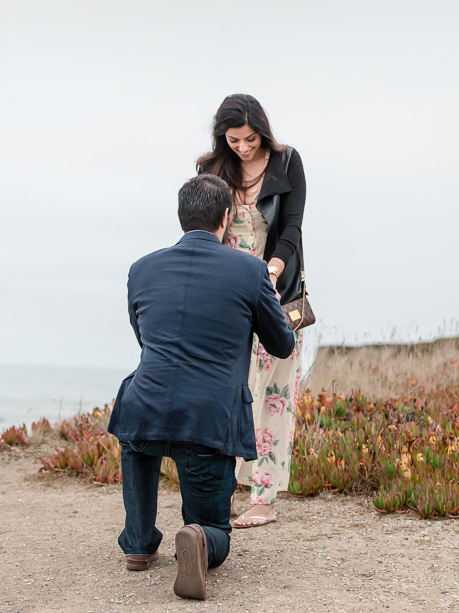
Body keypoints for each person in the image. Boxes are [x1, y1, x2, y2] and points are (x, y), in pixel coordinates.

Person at [107, 174, 295, 600]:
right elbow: (282, 345)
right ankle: (199, 537)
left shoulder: (141, 268)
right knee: (212, 527)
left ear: (179, 215)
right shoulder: (250, 270)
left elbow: (145, 337)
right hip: (207, 419)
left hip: (144, 404)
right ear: (226, 218)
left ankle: (138, 543)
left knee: (137, 439)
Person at [196, 94, 308, 528]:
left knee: (274, 395)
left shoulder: (286, 162)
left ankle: (264, 498)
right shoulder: (210, 170)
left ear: (262, 131)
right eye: (234, 140)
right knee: (227, 392)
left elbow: (292, 225)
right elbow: (203, 228)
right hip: (225, 294)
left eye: (250, 139)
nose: (243, 147)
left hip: (275, 291)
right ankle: (222, 491)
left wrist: (272, 270)